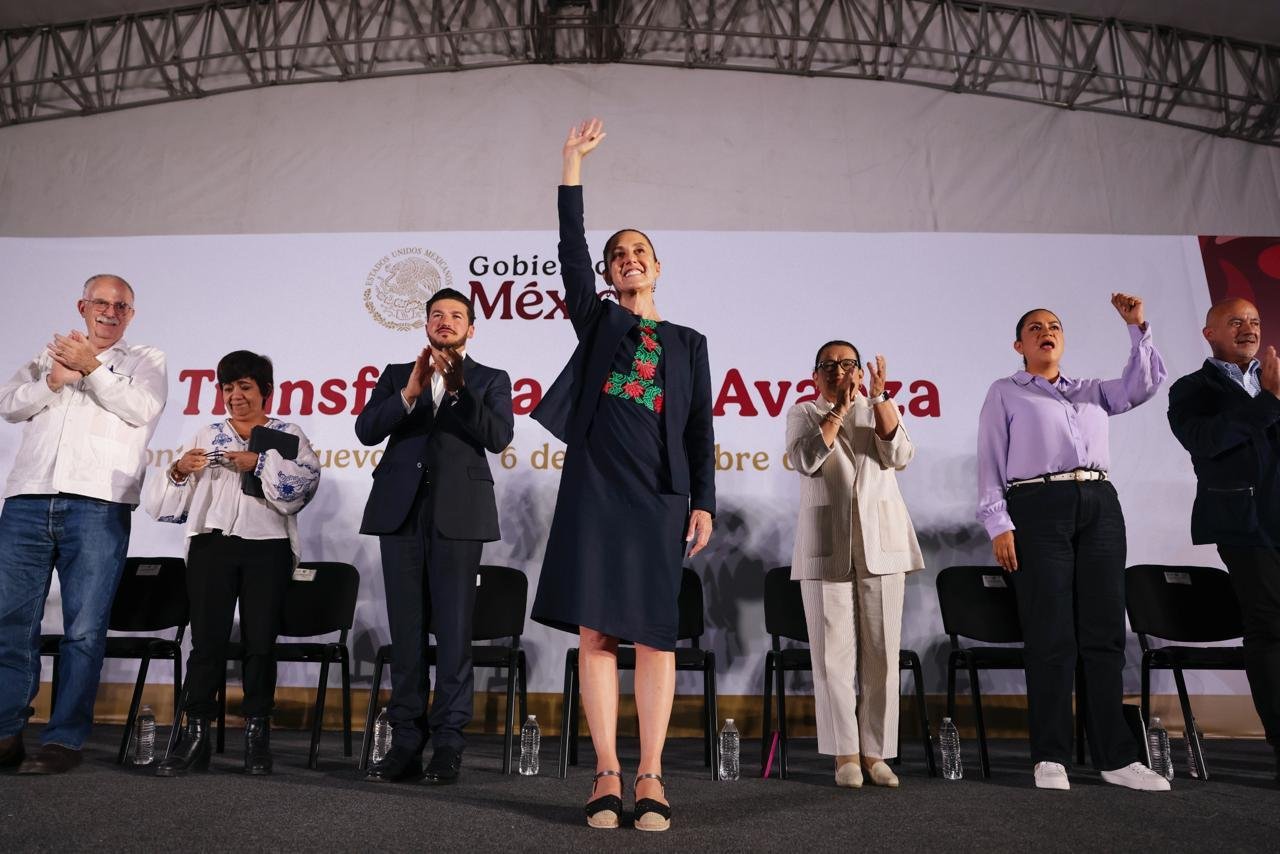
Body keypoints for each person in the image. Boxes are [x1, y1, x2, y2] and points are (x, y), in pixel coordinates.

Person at [530, 119, 715, 831]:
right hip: (595, 494)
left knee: (656, 637)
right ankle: (606, 771)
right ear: (609, 277)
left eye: (639, 252)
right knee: (597, 635)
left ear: (658, 267)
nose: (628, 259)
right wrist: (571, 165)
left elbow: (699, 430)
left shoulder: (688, 343)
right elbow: (569, 249)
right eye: (618, 255)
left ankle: (652, 774)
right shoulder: (600, 323)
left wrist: (702, 501)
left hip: (660, 499)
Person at [976, 294, 1171, 791]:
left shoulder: (1091, 390)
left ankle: (1115, 757)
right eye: (1036, 328)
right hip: (1037, 506)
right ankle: (1050, 755)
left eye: (1055, 326)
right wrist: (999, 524)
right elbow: (990, 461)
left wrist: (1137, 327)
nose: (1048, 332)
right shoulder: (1005, 392)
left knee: (1104, 633)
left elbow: (1143, 385)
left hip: (1100, 503)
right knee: (1050, 633)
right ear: (1019, 345)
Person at [0, 274, 167, 774]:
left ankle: (64, 739)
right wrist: (53, 379)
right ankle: (6, 732)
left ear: (131, 315)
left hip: (98, 506)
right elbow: (9, 404)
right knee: (11, 622)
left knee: (84, 631)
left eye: (121, 305)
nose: (110, 311)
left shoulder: (145, 360)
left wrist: (89, 367)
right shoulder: (48, 355)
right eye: (101, 302)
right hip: (28, 499)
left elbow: (142, 409)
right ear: (82, 306)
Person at [356, 287, 513, 785]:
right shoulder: (396, 375)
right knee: (406, 630)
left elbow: (498, 437)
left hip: (459, 515)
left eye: (456, 315)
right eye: (437, 315)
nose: (446, 321)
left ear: (471, 327)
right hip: (400, 511)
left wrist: (459, 388)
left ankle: (448, 742)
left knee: (453, 631)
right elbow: (366, 430)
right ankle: (406, 740)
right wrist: (409, 392)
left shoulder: (490, 379)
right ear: (426, 325)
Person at [144, 350, 318, 776]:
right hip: (212, 545)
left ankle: (257, 737)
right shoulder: (207, 433)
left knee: (260, 644)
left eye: (245, 387)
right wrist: (179, 470)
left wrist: (259, 462)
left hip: (268, 547)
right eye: (227, 388)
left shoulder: (287, 434)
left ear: (265, 391)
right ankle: (196, 735)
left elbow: (304, 486)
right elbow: (168, 507)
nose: (235, 396)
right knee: (206, 642)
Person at [785, 342, 923, 789]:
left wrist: (879, 399)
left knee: (882, 654)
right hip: (825, 545)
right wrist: (838, 411)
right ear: (815, 376)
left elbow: (899, 455)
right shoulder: (804, 412)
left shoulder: (879, 407)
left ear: (862, 373)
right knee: (832, 658)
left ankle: (876, 752)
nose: (839, 371)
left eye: (848, 364)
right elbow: (805, 459)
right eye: (829, 365)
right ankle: (845, 753)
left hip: (882, 543)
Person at [1167, 298, 1280, 783]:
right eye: (1235, 321)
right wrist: (1268, 402)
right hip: (1245, 524)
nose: (1248, 328)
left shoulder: (1275, 378)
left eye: (1254, 321)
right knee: (1271, 626)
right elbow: (1207, 441)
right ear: (1210, 333)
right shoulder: (1193, 389)